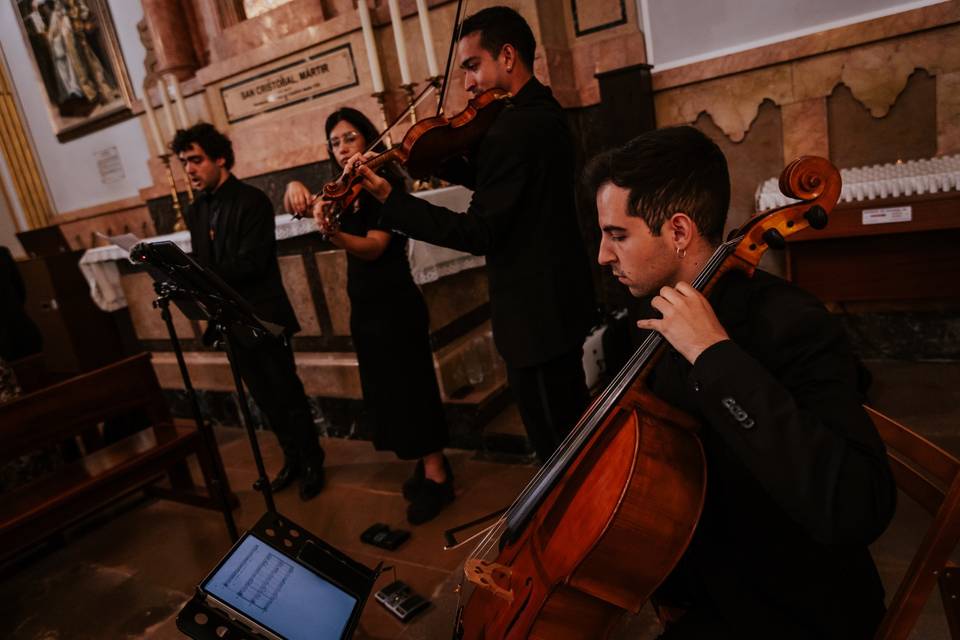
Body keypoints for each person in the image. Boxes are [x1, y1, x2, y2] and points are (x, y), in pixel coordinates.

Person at [586, 126, 897, 639]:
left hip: (793, 612)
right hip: (706, 595)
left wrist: (715, 357)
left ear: (679, 231)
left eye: (618, 235)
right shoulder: (654, 316)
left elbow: (856, 503)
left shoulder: (790, 322)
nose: (603, 254)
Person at [345, 6, 595, 463]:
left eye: (472, 66)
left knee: (557, 445)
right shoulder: (544, 111)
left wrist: (391, 200)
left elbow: (480, 230)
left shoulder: (512, 130)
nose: (468, 84)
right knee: (572, 424)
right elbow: (508, 186)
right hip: (561, 299)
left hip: (532, 318)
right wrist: (437, 155)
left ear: (506, 56)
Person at [285, 108, 453, 524]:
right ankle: (422, 460)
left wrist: (332, 233)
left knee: (412, 389)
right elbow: (315, 203)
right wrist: (295, 188)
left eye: (350, 138)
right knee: (392, 390)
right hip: (365, 303)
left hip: (395, 301)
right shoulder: (342, 189)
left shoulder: (384, 184)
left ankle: (438, 474)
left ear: (368, 139)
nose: (342, 148)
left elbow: (375, 247)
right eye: (335, 141)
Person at [172, 122, 325, 501]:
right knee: (263, 397)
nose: (189, 170)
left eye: (195, 160)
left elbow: (253, 263)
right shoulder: (196, 212)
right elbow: (208, 260)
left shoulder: (252, 200)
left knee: (287, 393)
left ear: (220, 158)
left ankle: (312, 463)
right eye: (184, 163)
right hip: (229, 320)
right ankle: (291, 459)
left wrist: (197, 274)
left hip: (262, 314)